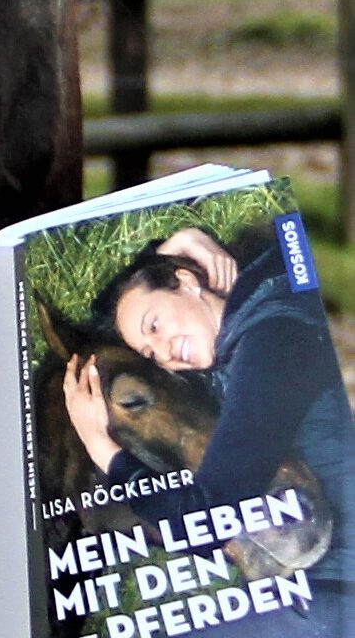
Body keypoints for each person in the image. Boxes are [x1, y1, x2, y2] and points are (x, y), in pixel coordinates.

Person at [64, 224, 353, 636]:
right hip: (314, 589)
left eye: (155, 326)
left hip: (336, 594)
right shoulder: (258, 306)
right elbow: (107, 316)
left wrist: (102, 448)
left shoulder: (271, 342)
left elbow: (209, 515)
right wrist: (168, 250)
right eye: (150, 352)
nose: (163, 351)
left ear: (187, 282)